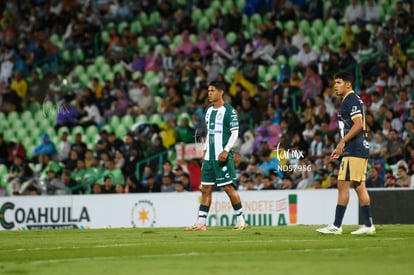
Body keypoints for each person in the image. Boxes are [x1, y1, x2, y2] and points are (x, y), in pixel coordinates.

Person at [316, 72, 375, 235]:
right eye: (335, 83)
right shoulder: (352, 100)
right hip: (358, 147)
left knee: (343, 184)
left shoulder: (350, 100)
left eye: (339, 82)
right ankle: (369, 226)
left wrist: (342, 143)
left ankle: (336, 225)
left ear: (348, 85)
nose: (335, 85)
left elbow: (358, 125)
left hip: (354, 148)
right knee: (359, 185)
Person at [184, 80, 247, 231]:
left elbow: (235, 133)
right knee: (205, 189)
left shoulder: (229, 111)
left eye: (212, 90)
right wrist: (205, 149)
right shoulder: (209, 111)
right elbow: (209, 133)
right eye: (208, 90)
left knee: (228, 188)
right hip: (209, 157)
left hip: (222, 156)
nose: (209, 93)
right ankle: (201, 223)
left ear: (221, 92)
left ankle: (241, 220)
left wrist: (226, 150)